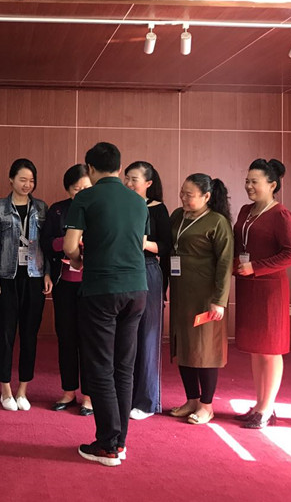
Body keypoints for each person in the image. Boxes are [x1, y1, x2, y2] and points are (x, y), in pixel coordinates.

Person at [64, 142, 148, 468]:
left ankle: (107, 444)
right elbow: (138, 242)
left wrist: (79, 260)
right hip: (137, 289)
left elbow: (70, 246)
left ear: (90, 168)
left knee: (100, 366)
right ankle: (120, 441)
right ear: (119, 167)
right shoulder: (138, 201)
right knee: (124, 367)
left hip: (102, 289)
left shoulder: (86, 197)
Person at [232, 159, 291, 429]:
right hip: (248, 286)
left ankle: (267, 407)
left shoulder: (281, 214)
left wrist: (256, 267)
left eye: (254, 182)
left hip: (270, 289)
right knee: (256, 349)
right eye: (247, 181)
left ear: (272, 185)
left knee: (271, 350)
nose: (248, 186)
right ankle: (259, 404)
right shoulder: (246, 210)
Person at [0, 158, 53, 412]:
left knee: (29, 335)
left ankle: (23, 390)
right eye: (22, 179)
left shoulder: (41, 208)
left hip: (34, 278)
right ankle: (5, 389)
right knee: (5, 334)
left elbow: (47, 246)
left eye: (31, 180)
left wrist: (47, 274)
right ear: (11, 180)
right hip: (6, 278)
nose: (27, 184)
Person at [168, 173, 234, 426]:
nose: (183, 198)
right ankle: (191, 399)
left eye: (190, 195)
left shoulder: (217, 222)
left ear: (206, 196)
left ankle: (206, 405)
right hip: (181, 292)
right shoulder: (178, 215)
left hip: (206, 296)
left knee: (205, 350)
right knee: (184, 347)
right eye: (182, 193)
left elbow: (225, 263)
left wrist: (220, 300)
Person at [40, 164, 93, 416]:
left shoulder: (100, 208)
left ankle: (90, 395)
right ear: (68, 189)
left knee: (91, 340)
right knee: (66, 338)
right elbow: (46, 242)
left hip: (92, 284)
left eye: (86, 188)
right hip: (64, 284)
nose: (81, 193)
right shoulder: (58, 210)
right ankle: (69, 390)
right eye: (76, 189)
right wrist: (68, 243)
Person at [124, 161, 172, 421]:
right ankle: (124, 396)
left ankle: (146, 401)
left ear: (148, 183)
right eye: (127, 178)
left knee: (147, 337)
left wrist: (144, 243)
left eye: (134, 179)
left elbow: (166, 246)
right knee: (124, 337)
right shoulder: (121, 205)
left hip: (147, 269)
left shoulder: (157, 209)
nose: (129, 183)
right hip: (122, 270)